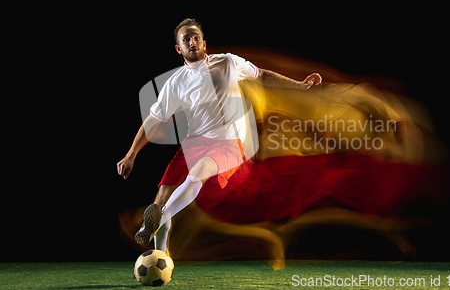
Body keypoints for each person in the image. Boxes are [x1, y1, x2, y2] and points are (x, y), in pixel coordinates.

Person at [116, 18, 322, 254]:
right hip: (193, 144)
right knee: (160, 197)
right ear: (178, 48)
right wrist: (131, 154)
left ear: (204, 43)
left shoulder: (228, 62)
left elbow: (262, 75)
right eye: (186, 39)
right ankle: (159, 255)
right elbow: (154, 120)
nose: (192, 42)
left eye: (195, 37)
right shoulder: (175, 83)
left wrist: (299, 85)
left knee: (195, 177)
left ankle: (160, 218)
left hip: (229, 144)